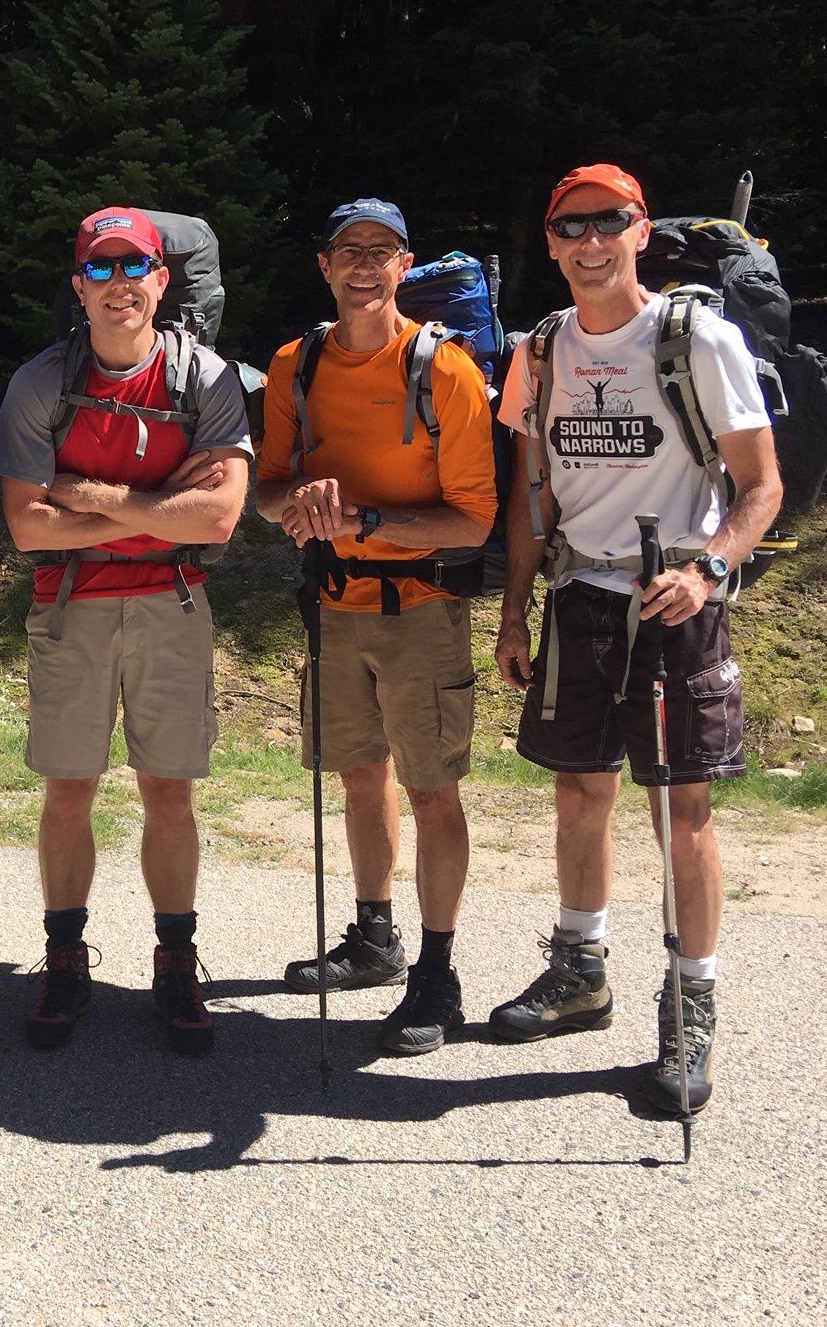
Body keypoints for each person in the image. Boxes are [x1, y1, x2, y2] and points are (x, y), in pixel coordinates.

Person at [492, 163, 782, 1114]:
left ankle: (691, 1005)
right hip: (579, 597)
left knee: (679, 813)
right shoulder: (539, 352)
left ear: (641, 231)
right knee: (580, 792)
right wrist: (513, 610)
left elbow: (761, 486)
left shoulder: (698, 340)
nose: (590, 241)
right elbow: (531, 494)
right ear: (550, 242)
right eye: (570, 225)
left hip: (675, 604)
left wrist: (709, 572)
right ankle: (581, 970)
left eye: (608, 222)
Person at [0, 206, 252, 1055]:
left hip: (171, 601)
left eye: (133, 266)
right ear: (79, 286)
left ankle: (175, 961)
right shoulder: (41, 383)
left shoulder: (204, 377)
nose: (119, 285)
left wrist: (92, 498)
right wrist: (158, 507)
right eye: (100, 269)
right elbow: (27, 528)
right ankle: (65, 957)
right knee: (69, 789)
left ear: (161, 279)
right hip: (71, 603)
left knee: (167, 790)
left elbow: (218, 520)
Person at [255, 198, 499, 1055]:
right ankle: (375, 938)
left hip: (423, 611)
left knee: (432, 791)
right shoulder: (295, 365)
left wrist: (360, 519)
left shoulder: (445, 372)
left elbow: (474, 520)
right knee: (360, 776)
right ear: (324, 265)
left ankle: (439, 972)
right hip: (334, 605)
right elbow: (268, 492)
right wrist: (301, 504)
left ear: (404, 264)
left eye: (381, 250)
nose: (364, 264)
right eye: (348, 250)